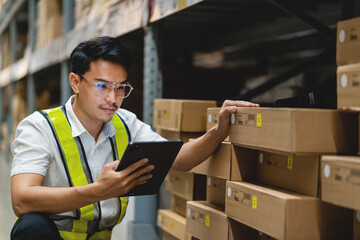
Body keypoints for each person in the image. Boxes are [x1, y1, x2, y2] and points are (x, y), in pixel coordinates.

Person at [10, 36, 259, 240]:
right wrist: (97, 191)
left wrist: (218, 131)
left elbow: (180, 159)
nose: (113, 98)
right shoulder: (40, 127)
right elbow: (21, 200)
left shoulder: (126, 123)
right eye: (102, 86)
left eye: (121, 87)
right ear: (75, 82)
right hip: (53, 237)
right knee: (30, 226)